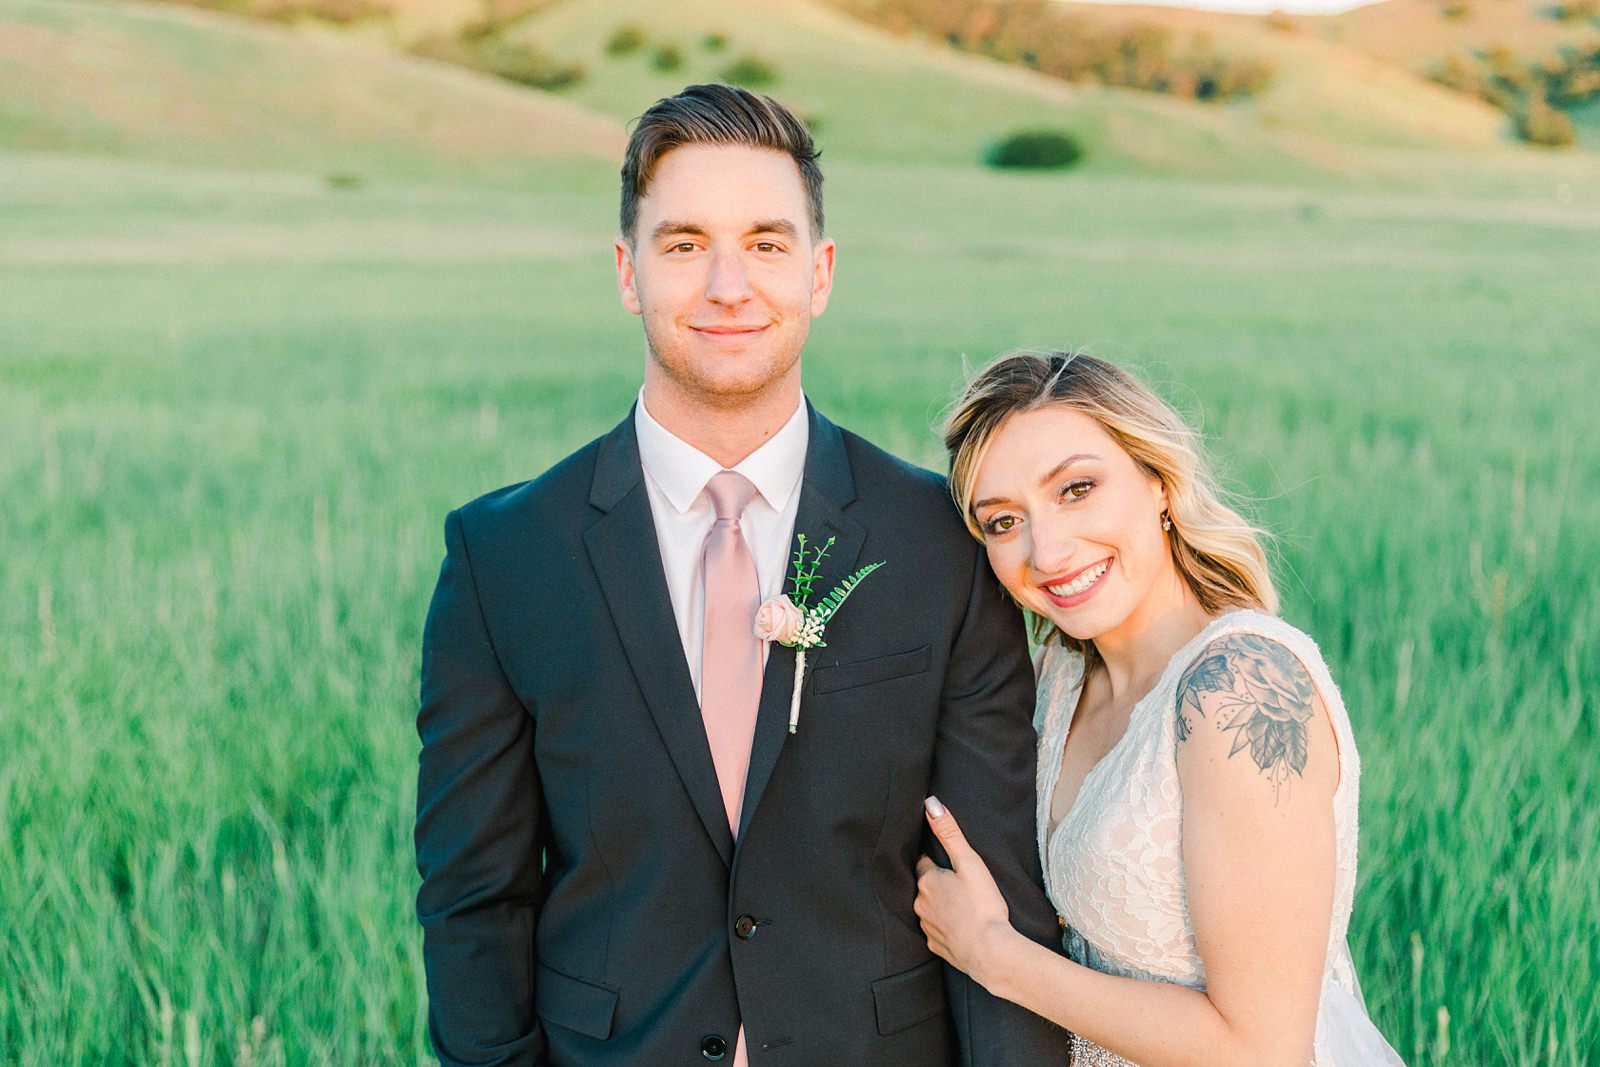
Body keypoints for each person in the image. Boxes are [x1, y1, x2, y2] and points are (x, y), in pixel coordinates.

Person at [414, 85, 1071, 1066]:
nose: (729, 284)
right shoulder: (505, 556)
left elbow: (995, 885)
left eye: (766, 243)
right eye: (684, 244)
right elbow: (475, 894)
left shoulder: (939, 542)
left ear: (820, 271)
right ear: (629, 271)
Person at [915, 352, 1405, 1066]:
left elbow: (1263, 1049)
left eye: (1076, 489)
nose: (1046, 549)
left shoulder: (1238, 685)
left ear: (1158, 481)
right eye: (1002, 521)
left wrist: (995, 955)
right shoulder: (1060, 673)